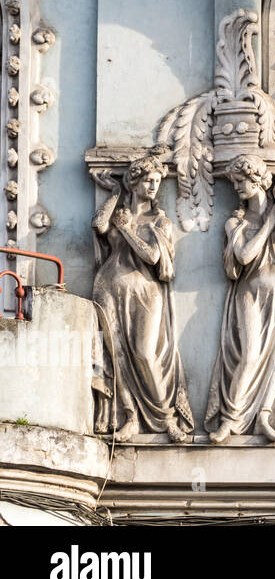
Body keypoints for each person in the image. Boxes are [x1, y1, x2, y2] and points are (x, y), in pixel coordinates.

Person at [205, 154, 275, 444]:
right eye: (235, 182)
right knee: (250, 355)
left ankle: (264, 416)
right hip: (250, 291)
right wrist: (266, 225)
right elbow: (244, 255)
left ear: (259, 180)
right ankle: (230, 419)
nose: (237, 187)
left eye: (243, 181)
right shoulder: (235, 222)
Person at [90, 152, 193, 444]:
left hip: (146, 291)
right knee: (117, 355)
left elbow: (152, 255)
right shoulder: (119, 210)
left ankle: (167, 419)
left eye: (157, 181)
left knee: (145, 353)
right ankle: (130, 416)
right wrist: (114, 192)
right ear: (133, 183)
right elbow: (98, 225)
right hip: (108, 287)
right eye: (147, 180)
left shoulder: (159, 220)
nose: (153, 186)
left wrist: (124, 228)